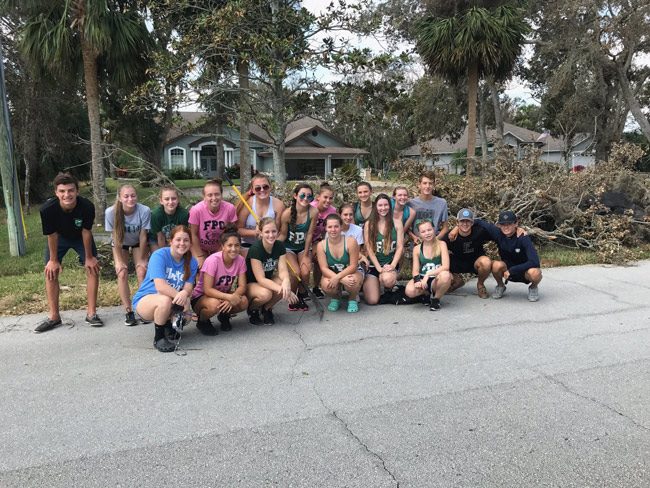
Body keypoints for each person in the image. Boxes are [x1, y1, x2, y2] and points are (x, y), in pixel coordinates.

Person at [35, 172, 102, 333]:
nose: (67, 195)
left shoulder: (87, 206)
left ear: (77, 191)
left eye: (71, 190)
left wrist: (89, 257)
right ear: (56, 193)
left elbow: (86, 232)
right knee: (51, 271)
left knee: (92, 267)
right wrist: (53, 260)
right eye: (62, 191)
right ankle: (54, 317)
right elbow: (52, 235)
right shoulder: (47, 209)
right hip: (59, 238)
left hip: (80, 236)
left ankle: (91, 314)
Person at [132, 226, 198, 353]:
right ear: (171, 241)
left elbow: (188, 287)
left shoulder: (192, 261)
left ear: (190, 243)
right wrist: (182, 299)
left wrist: (185, 294)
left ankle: (168, 326)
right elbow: (160, 286)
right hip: (147, 300)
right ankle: (159, 337)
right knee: (165, 300)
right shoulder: (159, 255)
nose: (182, 243)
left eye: (186, 240)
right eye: (178, 239)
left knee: (187, 315)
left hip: (171, 298)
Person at [105, 184, 151, 326]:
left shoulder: (144, 210)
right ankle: (128, 310)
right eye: (126, 196)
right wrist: (119, 261)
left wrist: (142, 258)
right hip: (120, 244)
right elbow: (115, 238)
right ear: (119, 198)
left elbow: (143, 236)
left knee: (141, 271)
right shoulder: (111, 212)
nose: (130, 199)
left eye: (133, 195)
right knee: (122, 273)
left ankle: (143, 309)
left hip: (138, 243)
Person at [192, 224, 248, 335]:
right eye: (229, 245)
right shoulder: (213, 260)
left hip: (223, 295)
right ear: (222, 246)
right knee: (214, 304)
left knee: (244, 301)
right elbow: (207, 289)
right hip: (202, 297)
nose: (233, 249)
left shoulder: (240, 260)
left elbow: (242, 286)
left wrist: (231, 299)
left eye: (237, 245)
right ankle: (202, 321)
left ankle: (224, 316)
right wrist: (229, 297)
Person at [474, 210, 543, 301]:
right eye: (503, 224)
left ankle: (533, 287)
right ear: (499, 225)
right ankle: (500, 285)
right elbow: (478, 221)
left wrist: (513, 270)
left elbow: (535, 261)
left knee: (535, 273)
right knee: (496, 265)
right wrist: (455, 229)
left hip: (524, 272)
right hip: (506, 271)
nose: (506, 227)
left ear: (516, 224)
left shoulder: (523, 237)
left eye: (509, 224)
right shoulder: (498, 233)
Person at [246, 217, 298, 325]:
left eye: (274, 231)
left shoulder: (279, 246)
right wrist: (284, 291)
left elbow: (283, 270)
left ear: (278, 232)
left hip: (267, 279)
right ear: (261, 233)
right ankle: (253, 310)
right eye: (267, 232)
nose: (271, 235)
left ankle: (266, 309)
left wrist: (286, 282)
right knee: (266, 294)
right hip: (251, 284)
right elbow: (260, 279)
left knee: (283, 282)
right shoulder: (255, 249)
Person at [279, 183, 318, 311]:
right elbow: (283, 235)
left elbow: (310, 234)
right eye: (302, 195)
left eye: (309, 196)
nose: (305, 198)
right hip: (289, 248)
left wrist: (306, 254)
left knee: (306, 271)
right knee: (295, 273)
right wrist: (272, 244)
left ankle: (301, 295)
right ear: (295, 196)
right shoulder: (287, 214)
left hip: (303, 247)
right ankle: (294, 296)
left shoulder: (313, 212)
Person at [316, 214, 363, 313]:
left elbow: (353, 266)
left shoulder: (351, 241)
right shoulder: (321, 245)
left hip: (351, 271)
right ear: (325, 228)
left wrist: (338, 278)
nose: (333, 230)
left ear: (341, 227)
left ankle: (352, 298)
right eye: (330, 227)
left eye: (336, 226)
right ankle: (336, 297)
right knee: (326, 284)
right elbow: (324, 268)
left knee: (352, 281)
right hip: (334, 273)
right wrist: (340, 279)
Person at [363, 194, 404, 305]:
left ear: (390, 206)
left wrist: (393, 265)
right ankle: (370, 284)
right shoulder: (369, 224)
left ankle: (388, 287)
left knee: (387, 279)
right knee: (372, 300)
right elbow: (369, 248)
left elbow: (400, 247)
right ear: (375, 207)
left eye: (386, 205)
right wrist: (379, 268)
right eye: (380, 205)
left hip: (389, 263)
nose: (383, 208)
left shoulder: (397, 223)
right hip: (374, 265)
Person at [442, 208, 493, 299]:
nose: (465, 224)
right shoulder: (450, 236)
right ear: (457, 222)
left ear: (472, 223)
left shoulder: (480, 232)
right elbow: (437, 249)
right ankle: (456, 280)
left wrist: (518, 229)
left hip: (475, 263)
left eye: (468, 221)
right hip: (457, 263)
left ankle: (480, 285)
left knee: (486, 262)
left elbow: (499, 234)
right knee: (440, 260)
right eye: (462, 221)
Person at [189, 179, 238, 269]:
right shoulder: (196, 210)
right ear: (204, 197)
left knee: (219, 266)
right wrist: (200, 256)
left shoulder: (229, 208)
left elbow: (231, 233)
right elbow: (193, 234)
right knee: (200, 267)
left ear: (221, 195)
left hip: (221, 247)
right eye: (209, 195)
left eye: (217, 194)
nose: (214, 198)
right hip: (201, 247)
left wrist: (220, 252)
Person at [405, 220, 452, 311]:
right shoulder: (417, 249)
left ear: (434, 229)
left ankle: (436, 299)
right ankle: (426, 294)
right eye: (423, 231)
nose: (427, 233)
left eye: (429, 230)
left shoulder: (442, 244)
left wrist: (428, 274)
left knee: (446, 275)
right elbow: (415, 270)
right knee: (409, 291)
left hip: (437, 277)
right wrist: (417, 280)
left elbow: (446, 266)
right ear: (419, 234)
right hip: (423, 279)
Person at [237, 173, 285, 253]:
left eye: (265, 187)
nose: (262, 190)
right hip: (248, 245)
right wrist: (254, 233)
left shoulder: (279, 205)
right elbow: (238, 230)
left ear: (270, 187)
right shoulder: (247, 204)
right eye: (258, 188)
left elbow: (279, 231)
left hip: (270, 245)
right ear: (252, 190)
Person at [310, 182, 337, 298]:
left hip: (317, 239)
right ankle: (301, 289)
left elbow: (330, 228)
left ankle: (316, 287)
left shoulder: (332, 211)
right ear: (318, 197)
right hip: (304, 237)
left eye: (330, 198)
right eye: (325, 197)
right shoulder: (311, 207)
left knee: (318, 260)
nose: (328, 200)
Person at [408, 171, 449, 242]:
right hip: (417, 244)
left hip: (435, 244)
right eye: (424, 183)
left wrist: (436, 240)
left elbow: (445, 228)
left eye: (430, 183)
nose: (427, 186)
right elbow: (405, 227)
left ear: (434, 185)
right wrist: (414, 237)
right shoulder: (411, 203)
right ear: (419, 185)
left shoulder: (442, 203)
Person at [149, 186, 189, 251]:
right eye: (167, 199)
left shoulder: (183, 214)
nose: (170, 202)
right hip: (157, 239)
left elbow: (182, 235)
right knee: (159, 256)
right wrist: (165, 253)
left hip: (176, 239)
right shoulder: (156, 215)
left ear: (178, 199)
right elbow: (160, 237)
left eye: (173, 198)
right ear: (161, 201)